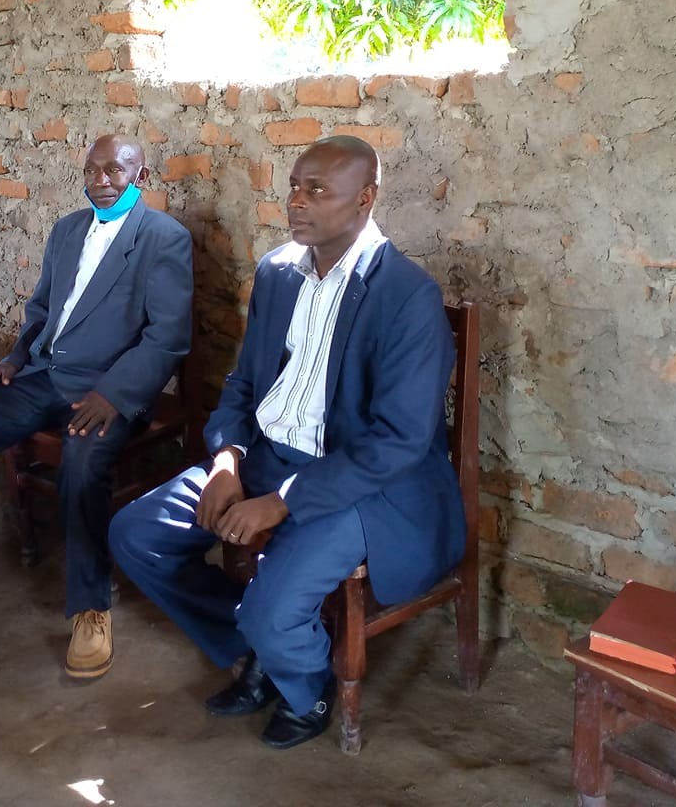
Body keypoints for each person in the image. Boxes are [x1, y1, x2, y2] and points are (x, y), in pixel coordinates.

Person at [108, 135, 463, 749]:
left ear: (366, 199)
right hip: (266, 455)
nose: (296, 202)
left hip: (359, 485)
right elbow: (244, 384)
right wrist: (226, 461)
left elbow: (397, 442)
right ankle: (255, 648)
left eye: (316, 191)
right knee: (136, 534)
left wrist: (281, 502)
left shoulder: (407, 296)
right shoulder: (278, 273)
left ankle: (306, 686)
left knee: (272, 611)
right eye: (294, 187)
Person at [0, 134, 193, 680]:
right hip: (43, 376)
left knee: (82, 463)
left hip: (105, 391)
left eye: (115, 171)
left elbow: (166, 337)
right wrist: (13, 358)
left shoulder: (164, 239)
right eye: (92, 170)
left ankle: (91, 607)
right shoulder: (68, 229)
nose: (102, 181)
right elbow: (42, 309)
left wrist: (115, 395)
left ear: (141, 177)